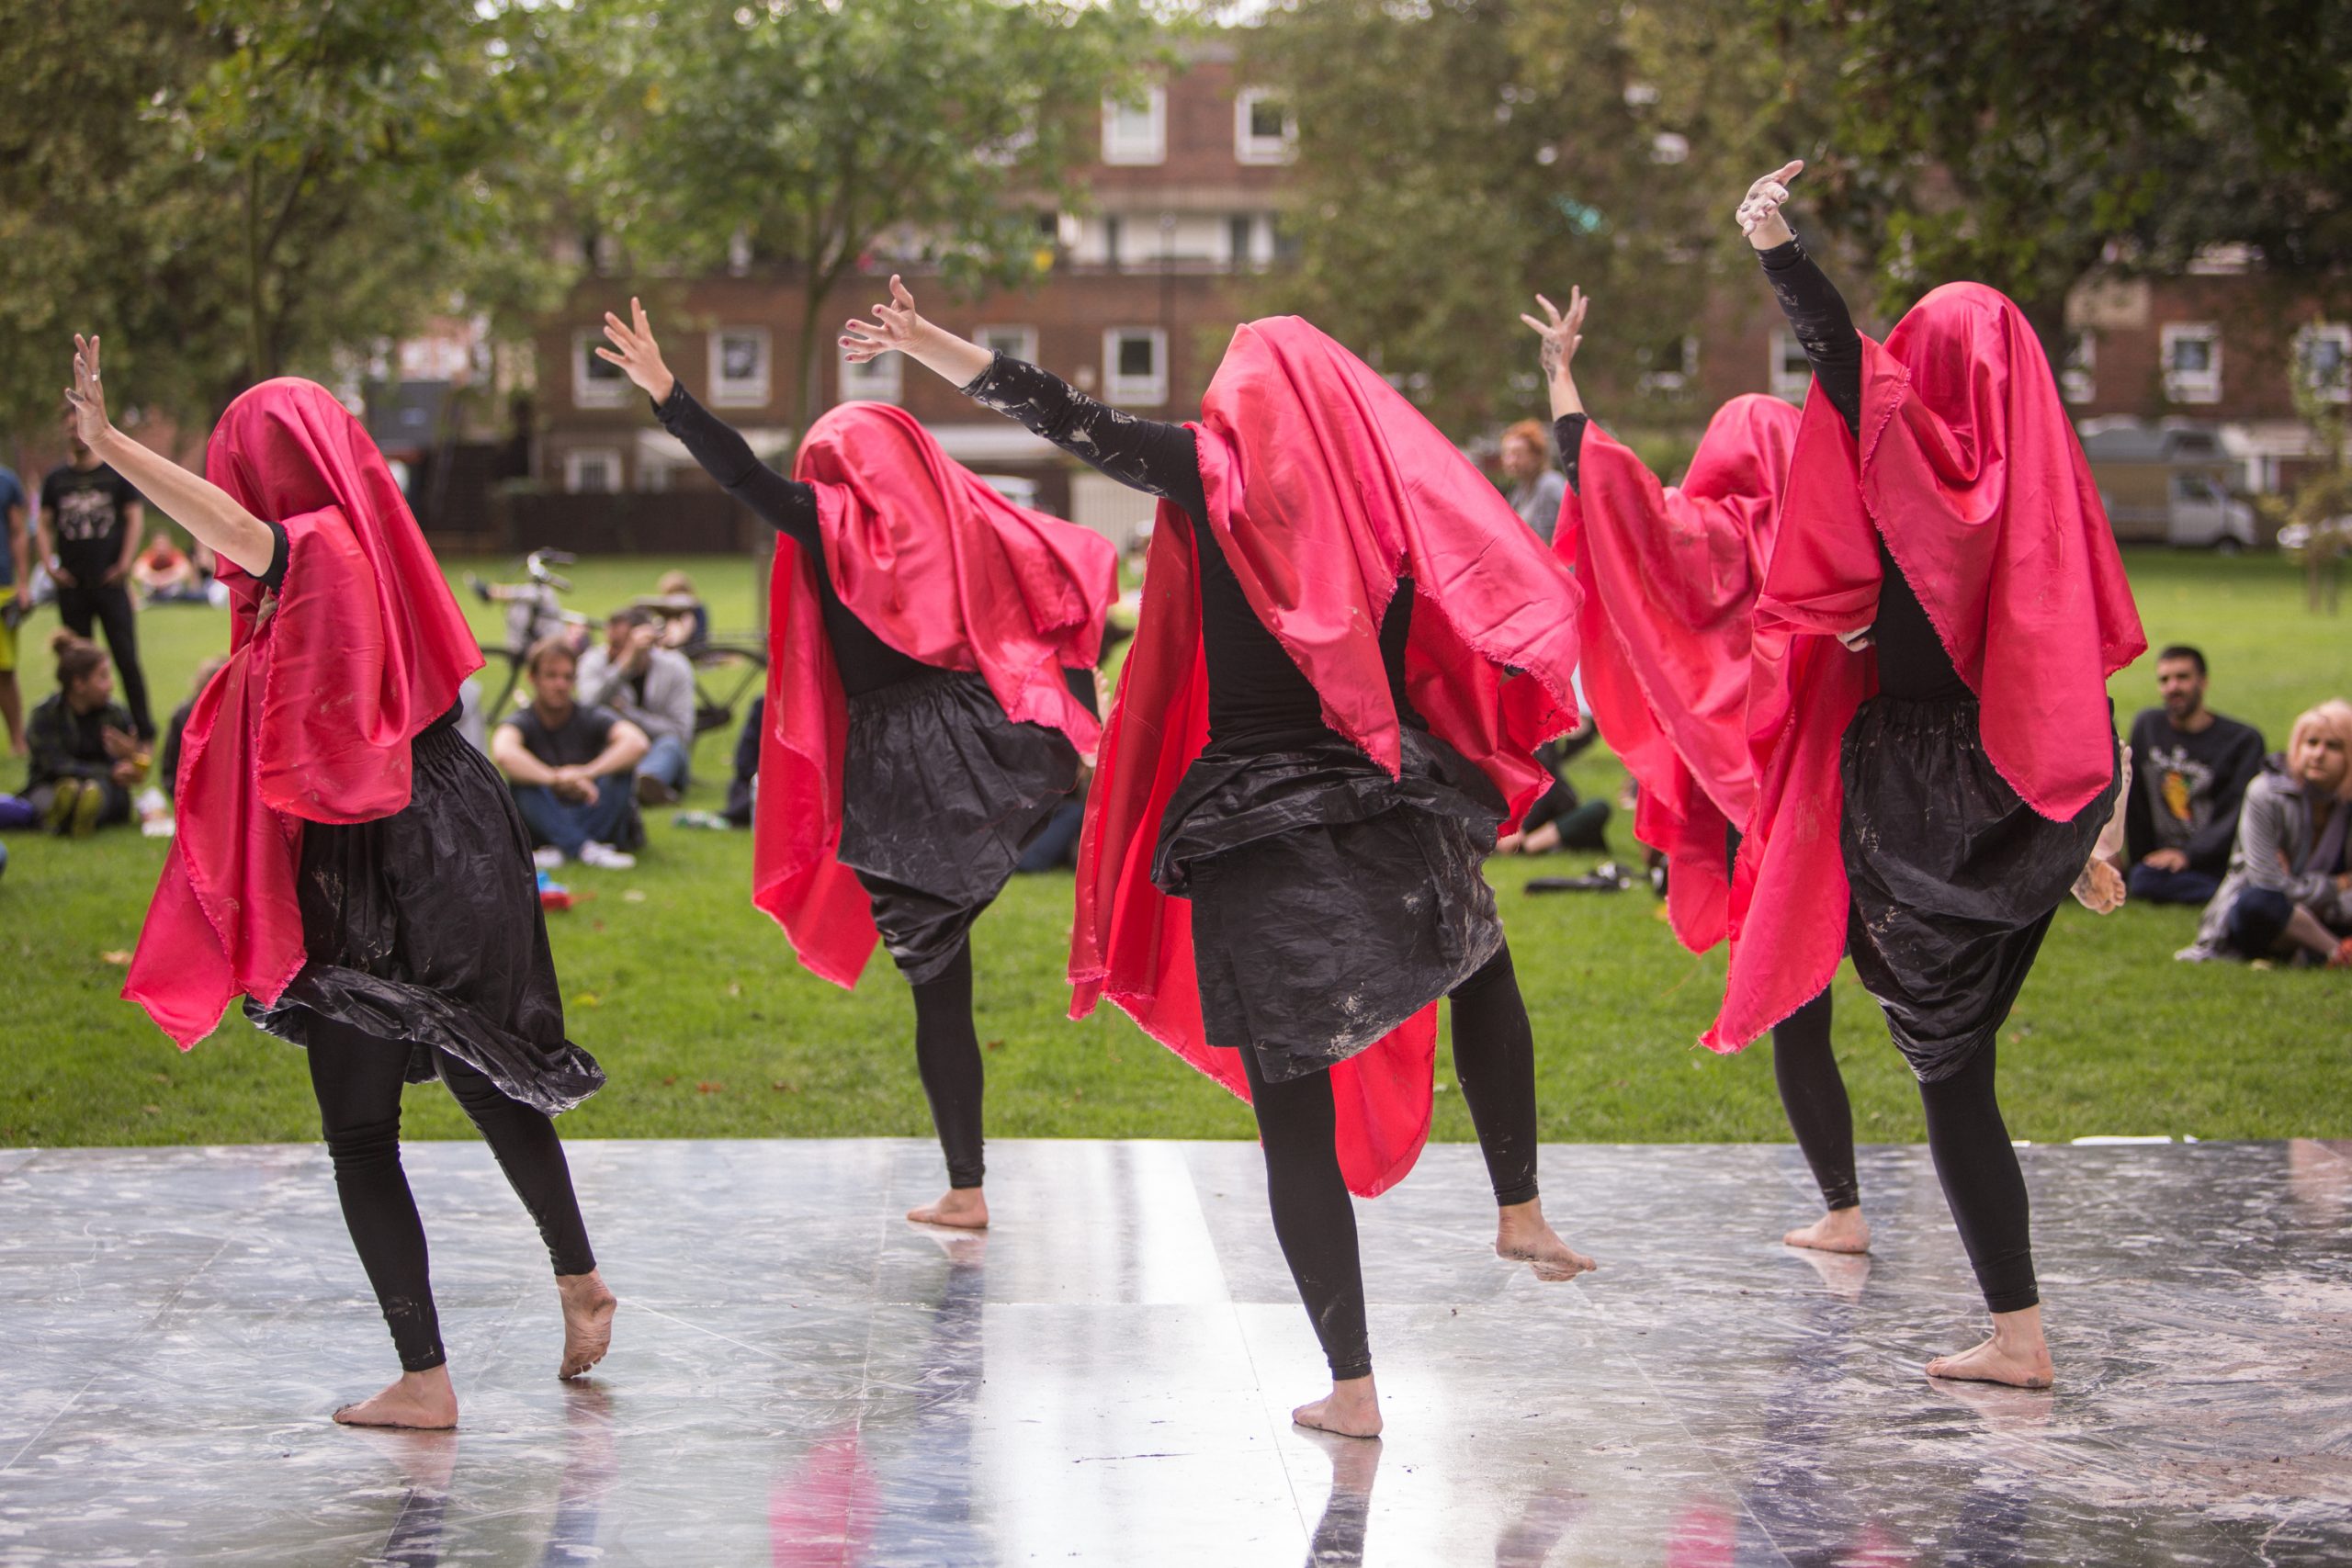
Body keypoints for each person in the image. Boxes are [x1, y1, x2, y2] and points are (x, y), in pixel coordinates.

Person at [844, 276, 1595, 1438]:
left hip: (1260, 822)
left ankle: (1353, 1389)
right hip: (1388, 799)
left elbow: (1061, 412)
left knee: (1294, 1112)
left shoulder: (1212, 471)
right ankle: (1519, 1203)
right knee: (1478, 965)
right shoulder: (1390, 489)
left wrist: (927, 342)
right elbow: (1489, 581)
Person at [83, 342, 616, 1430]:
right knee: (484, 1068)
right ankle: (578, 1281)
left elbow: (236, 536)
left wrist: (108, 445)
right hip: (454, 822)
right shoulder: (369, 536)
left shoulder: (315, 544)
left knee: (366, 1130)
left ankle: (429, 1377)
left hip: (377, 848)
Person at [1721, 163, 2143, 1388]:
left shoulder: (1915, 454)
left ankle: (2018, 1336)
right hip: (2034, 796)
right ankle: (2007, 1322)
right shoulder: (2039, 494)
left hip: (1928, 798)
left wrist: (1774, 241)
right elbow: (2072, 663)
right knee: (1966, 1062)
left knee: (1952, 1071)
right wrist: (2084, 833)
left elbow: (1844, 358)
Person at [597, 296, 1116, 1230]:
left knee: (937, 978)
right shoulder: (961, 522)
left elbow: (743, 476)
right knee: (940, 968)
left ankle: (966, 1186)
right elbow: (1057, 577)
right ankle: (964, 1183)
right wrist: (1073, 714)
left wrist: (669, 395)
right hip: (986, 740)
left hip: (905, 769)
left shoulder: (827, 523)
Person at [1524, 288, 1866, 1253]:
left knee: (1798, 995)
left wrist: (1561, 378)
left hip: (1749, 796)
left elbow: (1614, 497)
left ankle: (1842, 1207)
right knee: (1920, 1011)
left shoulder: (1712, 533)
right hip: (1853, 792)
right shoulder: (1835, 546)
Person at [2180, 700, 2352, 965]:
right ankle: (2337, 952)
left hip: (2332, 911)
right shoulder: (2266, 793)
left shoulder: (2346, 803)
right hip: (2272, 912)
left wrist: (2296, 883)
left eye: (2333, 746)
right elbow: (2268, 882)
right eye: (2311, 743)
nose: (2318, 754)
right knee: (2258, 904)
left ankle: (2308, 952)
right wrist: (2337, 884)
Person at [39, 406, 154, 739]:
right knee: (75, 665)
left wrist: (125, 562)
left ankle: (142, 728)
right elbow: (44, 526)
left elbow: (134, 517)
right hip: (72, 584)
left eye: (80, 427)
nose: (76, 433)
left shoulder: (114, 474)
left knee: (125, 657)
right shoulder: (56, 479)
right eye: (70, 428)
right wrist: (49, 564)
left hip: (109, 582)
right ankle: (81, 732)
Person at [2121, 646, 2267, 906]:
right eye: (2164, 679)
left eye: (2182, 677)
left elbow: (2235, 813)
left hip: (2213, 860)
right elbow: (2134, 795)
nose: (2173, 687)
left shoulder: (2242, 741)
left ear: (2203, 681)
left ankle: (2232, 892)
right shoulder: (2148, 726)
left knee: (2142, 881)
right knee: (2142, 878)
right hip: (2156, 863)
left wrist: (2189, 854)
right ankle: (2230, 895)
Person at [491, 637, 650, 870]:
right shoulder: (523, 720)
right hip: (545, 814)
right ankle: (585, 848)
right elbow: (504, 752)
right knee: (523, 783)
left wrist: (586, 773)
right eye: (551, 676)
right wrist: (555, 779)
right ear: (532, 678)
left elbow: (636, 743)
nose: (560, 684)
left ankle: (565, 846)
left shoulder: (589, 715)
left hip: (591, 809)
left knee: (621, 774)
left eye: (567, 677)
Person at [25, 631, 145, 835]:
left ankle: (71, 816)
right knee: (53, 795)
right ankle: (68, 812)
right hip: (51, 783)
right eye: (103, 677)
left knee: (98, 794)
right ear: (79, 684)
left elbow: (136, 769)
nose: (110, 685)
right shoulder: (45, 715)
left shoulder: (115, 714)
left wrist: (131, 755)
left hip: (103, 786)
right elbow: (54, 764)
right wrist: (109, 772)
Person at [575, 605, 697, 804]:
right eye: (610, 644)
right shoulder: (594, 661)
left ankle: (641, 784)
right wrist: (623, 666)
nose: (612, 651)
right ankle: (642, 789)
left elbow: (681, 732)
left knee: (670, 745)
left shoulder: (675, 667)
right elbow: (585, 710)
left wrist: (628, 713)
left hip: (661, 753)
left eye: (621, 645)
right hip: (612, 752)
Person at [1499, 418, 1568, 544]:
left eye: (1518, 454)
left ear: (1537, 456)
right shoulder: (1520, 491)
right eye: (1506, 454)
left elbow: (1548, 542)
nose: (1510, 461)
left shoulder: (1550, 485)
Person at [0, 460, 29, 755]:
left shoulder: (6, 480)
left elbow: (18, 532)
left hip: (2, 587)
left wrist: (23, 583)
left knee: (4, 670)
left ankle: (18, 741)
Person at [131, 529, 206, 603]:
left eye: (163, 543)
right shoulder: (150, 555)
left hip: (170, 585)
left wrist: (166, 578)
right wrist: (154, 579)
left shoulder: (174, 554)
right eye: (158, 544)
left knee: (177, 585)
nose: (161, 547)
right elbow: (138, 571)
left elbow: (184, 570)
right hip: (153, 585)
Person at [655, 569, 709, 649]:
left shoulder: (693, 608)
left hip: (693, 642)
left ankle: (673, 643)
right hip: (673, 636)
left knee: (680, 620)